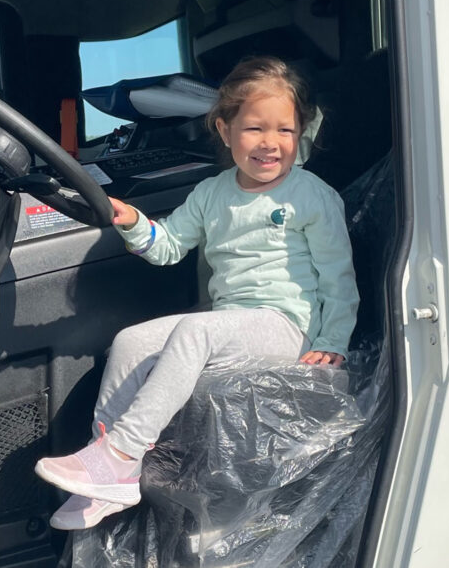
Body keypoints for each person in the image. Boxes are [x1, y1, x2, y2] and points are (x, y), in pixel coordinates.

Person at [35, 56, 359, 530]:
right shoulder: (211, 193)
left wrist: (333, 340)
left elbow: (338, 277)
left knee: (194, 331)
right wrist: (133, 222)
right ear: (225, 131)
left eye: (285, 131)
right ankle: (107, 473)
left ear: (301, 132)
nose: (270, 143)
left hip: (289, 327)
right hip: (231, 321)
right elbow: (167, 247)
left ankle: (122, 452)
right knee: (129, 341)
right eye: (255, 129)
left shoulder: (312, 195)